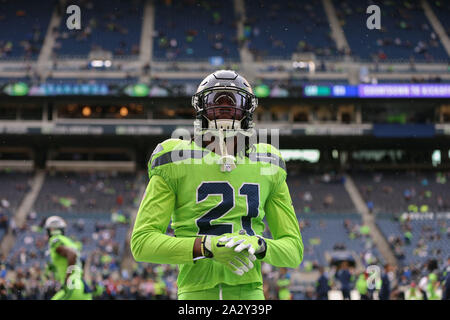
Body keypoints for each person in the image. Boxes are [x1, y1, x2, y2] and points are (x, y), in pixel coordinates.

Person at [131, 70, 303, 300]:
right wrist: (205, 247)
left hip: (248, 292)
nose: (225, 108)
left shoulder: (268, 161)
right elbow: (142, 243)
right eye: (216, 101)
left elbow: (293, 251)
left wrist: (259, 244)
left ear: (248, 109)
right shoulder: (175, 157)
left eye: (233, 102)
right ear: (201, 107)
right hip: (195, 291)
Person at [44, 216, 92, 300]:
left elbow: (72, 254)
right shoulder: (69, 241)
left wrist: (67, 277)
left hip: (72, 286)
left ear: (51, 230)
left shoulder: (55, 239)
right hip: (81, 286)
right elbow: (81, 261)